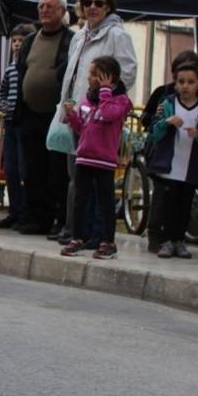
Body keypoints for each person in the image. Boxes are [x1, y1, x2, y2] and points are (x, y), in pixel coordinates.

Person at [52, 0, 138, 246]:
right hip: (79, 114)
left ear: (108, 6)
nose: (92, 7)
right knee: (76, 177)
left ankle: (98, 234)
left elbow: (128, 72)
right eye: (88, 2)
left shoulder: (117, 36)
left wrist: (106, 98)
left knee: (98, 182)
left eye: (99, 3)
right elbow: (72, 75)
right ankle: (77, 230)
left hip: (101, 118)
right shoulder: (79, 36)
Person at [13, 0, 74, 235]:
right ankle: (35, 218)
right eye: (41, 6)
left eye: (50, 6)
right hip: (30, 114)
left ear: (62, 11)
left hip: (56, 116)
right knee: (32, 169)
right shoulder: (29, 40)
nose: (44, 10)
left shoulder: (71, 39)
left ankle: (58, 218)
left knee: (56, 171)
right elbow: (21, 72)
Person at [59, 56, 133, 259]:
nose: (90, 78)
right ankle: (77, 237)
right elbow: (82, 128)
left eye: (94, 74)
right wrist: (72, 116)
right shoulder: (86, 99)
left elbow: (109, 114)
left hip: (104, 160)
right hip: (84, 157)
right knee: (80, 200)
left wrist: (105, 92)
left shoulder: (121, 100)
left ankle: (107, 241)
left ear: (108, 77)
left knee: (105, 202)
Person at [146, 62, 198, 259]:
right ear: (175, 83)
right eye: (181, 82)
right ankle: (167, 241)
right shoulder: (168, 105)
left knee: (185, 205)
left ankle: (179, 240)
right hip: (170, 164)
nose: (185, 86)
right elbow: (154, 133)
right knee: (169, 204)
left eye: (191, 82)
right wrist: (166, 123)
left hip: (192, 166)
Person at [0, 23, 35, 228]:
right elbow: (2, 90)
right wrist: (4, 106)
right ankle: (14, 209)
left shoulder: (29, 67)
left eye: (21, 41)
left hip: (24, 121)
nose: (17, 45)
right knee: (10, 168)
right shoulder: (10, 67)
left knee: (24, 167)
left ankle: (27, 210)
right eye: (15, 41)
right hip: (9, 121)